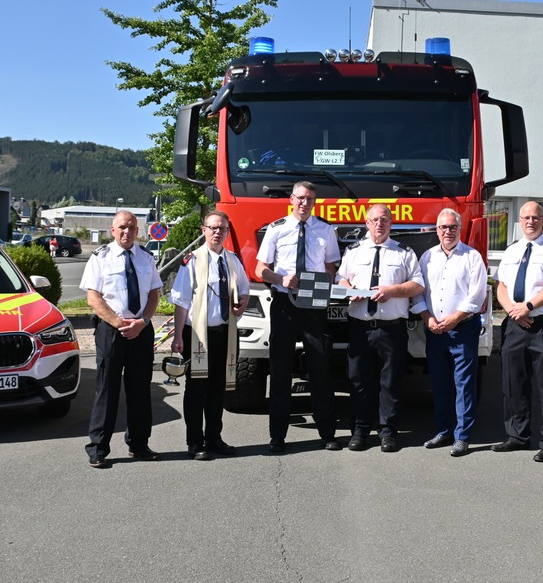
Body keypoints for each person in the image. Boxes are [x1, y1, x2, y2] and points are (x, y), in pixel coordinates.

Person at [255, 181, 342, 453]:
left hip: (314, 305)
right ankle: (277, 437)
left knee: (321, 370)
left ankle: (327, 434)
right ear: (291, 199)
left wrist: (321, 283)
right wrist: (281, 278)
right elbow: (260, 270)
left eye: (311, 199)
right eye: (301, 198)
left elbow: (330, 268)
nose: (305, 203)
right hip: (284, 304)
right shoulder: (276, 229)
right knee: (280, 372)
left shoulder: (326, 230)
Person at [336, 203, 424, 453]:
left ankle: (388, 432)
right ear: (366, 223)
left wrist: (392, 291)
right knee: (359, 381)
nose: (379, 224)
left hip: (392, 328)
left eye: (384, 220)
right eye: (374, 220)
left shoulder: (403, 252)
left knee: (390, 381)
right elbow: (340, 278)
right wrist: (347, 289)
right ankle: (360, 431)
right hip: (360, 327)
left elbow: (418, 284)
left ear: (391, 223)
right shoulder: (354, 251)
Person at [80, 210, 163, 468]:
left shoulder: (147, 258)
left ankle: (138, 444)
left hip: (141, 329)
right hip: (111, 330)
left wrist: (142, 323)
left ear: (138, 231)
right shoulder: (101, 258)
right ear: (113, 231)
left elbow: (153, 295)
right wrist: (118, 323)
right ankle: (98, 448)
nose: (127, 232)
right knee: (107, 388)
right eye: (122, 228)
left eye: (132, 228)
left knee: (140, 389)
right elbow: (93, 298)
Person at [492, 201, 543, 463]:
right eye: (526, 218)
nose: (531, 222)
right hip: (516, 325)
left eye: (535, 217)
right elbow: (501, 286)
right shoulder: (512, 250)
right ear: (519, 221)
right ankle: (517, 436)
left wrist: (528, 307)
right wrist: (514, 312)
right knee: (514, 382)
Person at [169, 211, 250, 461]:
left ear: (227, 232)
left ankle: (214, 438)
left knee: (217, 390)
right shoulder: (192, 260)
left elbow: (244, 290)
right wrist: (177, 337)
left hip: (225, 333)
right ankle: (195, 442)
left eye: (223, 229)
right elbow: (181, 301)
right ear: (203, 230)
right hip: (197, 335)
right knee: (196, 390)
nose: (218, 232)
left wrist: (242, 304)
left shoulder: (233, 260)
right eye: (213, 228)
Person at [414, 208, 487, 458]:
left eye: (452, 227)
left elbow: (477, 294)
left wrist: (455, 318)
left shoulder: (472, 257)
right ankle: (444, 431)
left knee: (464, 383)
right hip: (435, 329)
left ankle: (462, 436)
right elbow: (418, 292)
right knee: (439, 382)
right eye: (443, 227)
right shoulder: (427, 258)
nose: (448, 231)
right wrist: (427, 317)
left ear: (459, 229)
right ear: (437, 229)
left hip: (463, 328)